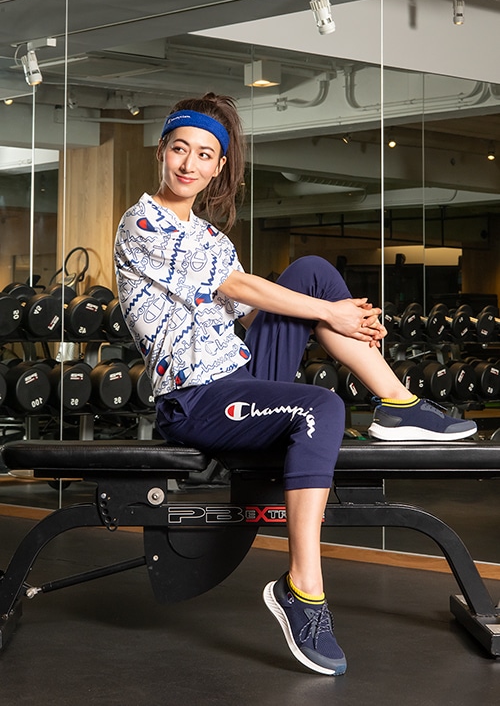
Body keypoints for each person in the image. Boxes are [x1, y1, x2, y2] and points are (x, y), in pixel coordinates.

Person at [114, 92, 477, 677]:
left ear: (218, 167)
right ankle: (302, 589)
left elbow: (249, 313)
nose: (189, 164)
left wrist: (345, 315)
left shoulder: (210, 237)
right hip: (196, 398)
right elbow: (237, 287)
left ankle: (397, 403)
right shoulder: (142, 222)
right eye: (180, 149)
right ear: (162, 152)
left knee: (312, 272)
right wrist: (332, 315)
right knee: (322, 407)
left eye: (204, 155)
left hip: (239, 374)